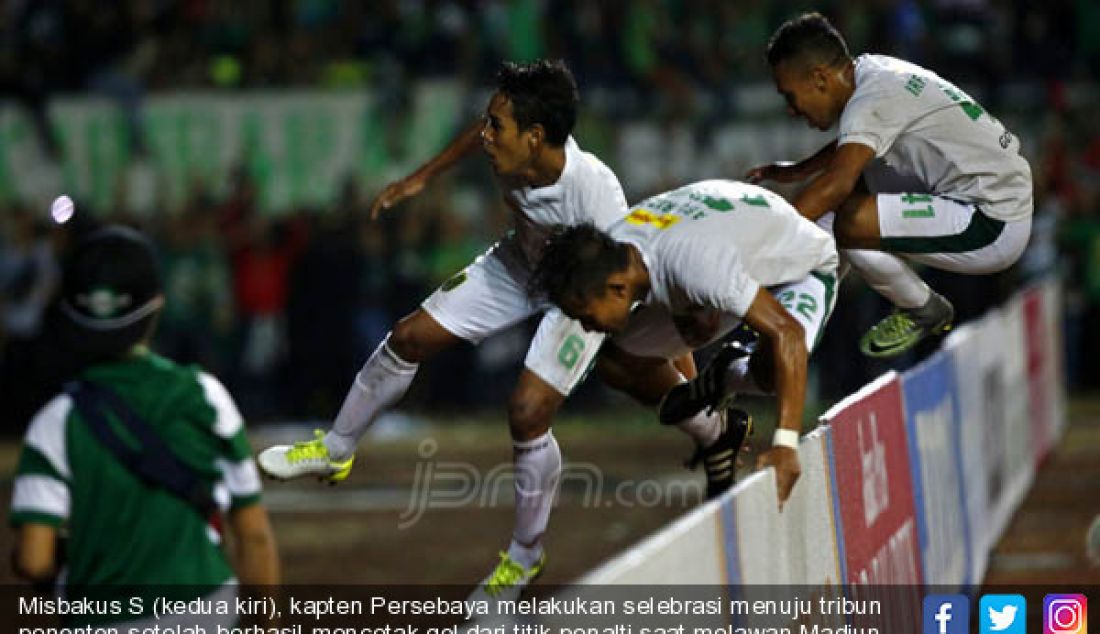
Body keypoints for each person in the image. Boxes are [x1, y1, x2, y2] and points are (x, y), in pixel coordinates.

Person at [256, 60, 710, 600]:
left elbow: (638, 297)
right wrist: (421, 176)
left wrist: (685, 368)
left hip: (578, 288)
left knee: (527, 411)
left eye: (497, 126)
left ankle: (524, 558)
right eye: (489, 121)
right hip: (521, 264)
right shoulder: (512, 142)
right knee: (409, 337)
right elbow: (474, 134)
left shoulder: (599, 201)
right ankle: (336, 447)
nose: (486, 133)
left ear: (535, 137)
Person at [9, 225, 280, 628]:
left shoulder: (55, 422)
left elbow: (33, 559)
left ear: (70, 310)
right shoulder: (204, 395)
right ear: (157, 305)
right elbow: (254, 536)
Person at [533, 179, 839, 505]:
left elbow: (788, 334)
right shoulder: (619, 250)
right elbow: (677, 286)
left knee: (776, 374)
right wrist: (702, 411)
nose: (586, 326)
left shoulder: (696, 267)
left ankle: (727, 373)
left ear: (618, 289)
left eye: (586, 315)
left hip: (798, 269)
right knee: (616, 362)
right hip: (731, 251)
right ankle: (718, 432)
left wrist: (785, 444)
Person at [747, 12, 1033, 358]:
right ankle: (789, 322)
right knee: (834, 212)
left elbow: (837, 182)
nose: (791, 110)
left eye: (790, 96)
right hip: (985, 189)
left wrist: (757, 245)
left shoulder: (871, 100)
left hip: (993, 219)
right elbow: (854, 144)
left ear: (820, 78)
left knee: (847, 219)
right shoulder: (872, 71)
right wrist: (800, 170)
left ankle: (922, 307)